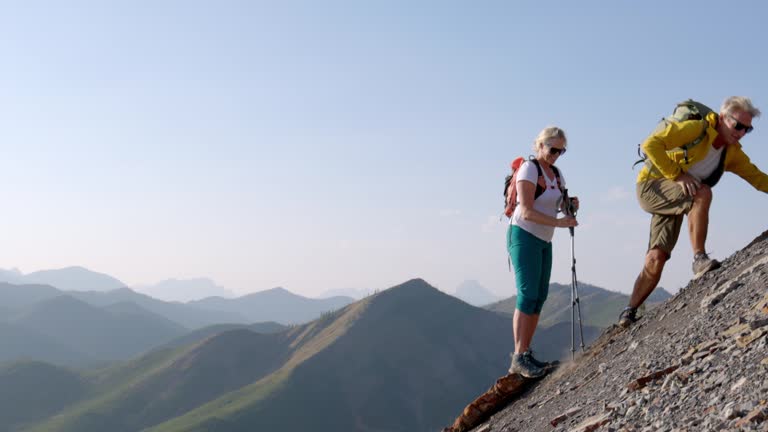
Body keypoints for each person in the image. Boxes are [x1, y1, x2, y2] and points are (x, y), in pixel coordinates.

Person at [619, 96, 768, 328]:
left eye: (747, 129)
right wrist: (678, 175)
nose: (741, 132)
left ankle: (629, 311)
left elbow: (758, 178)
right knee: (703, 193)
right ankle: (699, 258)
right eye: (737, 125)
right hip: (653, 186)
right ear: (722, 118)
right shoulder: (696, 129)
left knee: (656, 257)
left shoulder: (732, 153)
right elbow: (651, 144)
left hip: (680, 195)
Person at [507, 126, 578, 378]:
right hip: (524, 235)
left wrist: (569, 205)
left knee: (539, 296)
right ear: (540, 146)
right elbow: (525, 210)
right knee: (527, 295)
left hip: (543, 239)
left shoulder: (556, 174)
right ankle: (518, 357)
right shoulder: (529, 169)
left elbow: (556, 204)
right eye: (552, 149)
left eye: (561, 150)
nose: (556, 154)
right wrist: (560, 223)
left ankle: (526, 353)